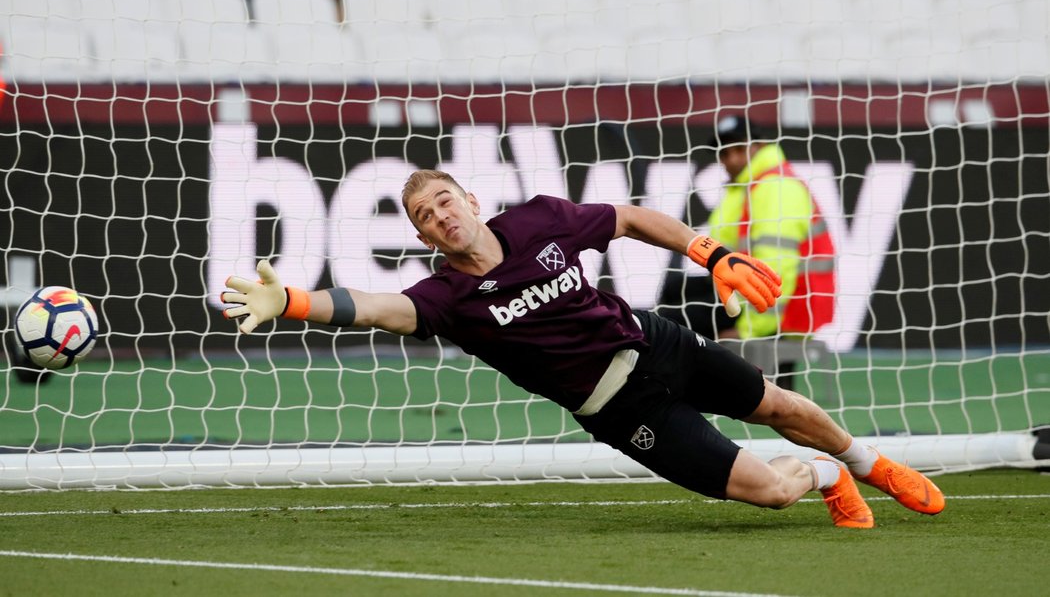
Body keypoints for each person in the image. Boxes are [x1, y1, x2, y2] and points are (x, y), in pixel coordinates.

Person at [220, 169, 943, 528]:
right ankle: (823, 475)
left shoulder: (540, 220)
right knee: (770, 491)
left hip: (654, 343)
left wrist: (709, 251)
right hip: (618, 408)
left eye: (445, 201)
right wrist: (292, 301)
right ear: (423, 239)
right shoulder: (446, 299)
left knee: (777, 401)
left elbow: (626, 217)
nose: (441, 218)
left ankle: (870, 463)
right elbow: (376, 307)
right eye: (424, 217)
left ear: (470, 201)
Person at [705, 115, 836, 391]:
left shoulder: (776, 188)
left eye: (738, 150)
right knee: (676, 293)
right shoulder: (748, 186)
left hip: (787, 311)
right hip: (765, 303)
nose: (730, 159)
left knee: (675, 317)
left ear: (758, 146)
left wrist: (746, 330)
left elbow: (776, 270)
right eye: (723, 153)